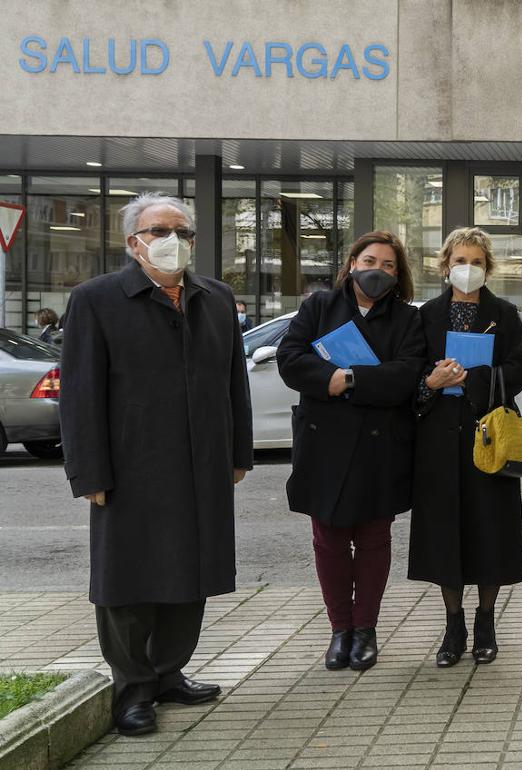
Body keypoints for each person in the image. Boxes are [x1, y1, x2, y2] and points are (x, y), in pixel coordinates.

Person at [58, 193, 252, 736]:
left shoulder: (215, 297)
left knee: (191, 573)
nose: (172, 240)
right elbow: (79, 393)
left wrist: (238, 454)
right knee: (130, 581)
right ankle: (133, 688)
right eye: (158, 229)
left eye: (182, 231)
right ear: (132, 242)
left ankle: (169, 672)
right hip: (131, 467)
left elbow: (233, 382)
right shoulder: (96, 299)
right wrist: (89, 472)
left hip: (203, 464)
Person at [276, 231, 425, 672]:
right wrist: (331, 379)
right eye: (370, 260)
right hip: (324, 444)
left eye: (389, 266)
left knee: (374, 538)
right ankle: (339, 630)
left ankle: (365, 630)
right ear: (352, 263)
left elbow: (406, 374)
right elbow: (290, 359)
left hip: (381, 444)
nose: (378, 270)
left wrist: (351, 379)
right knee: (329, 540)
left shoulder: (407, 319)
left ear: (399, 277)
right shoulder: (318, 307)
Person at [408, 227, 522, 667]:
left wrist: (473, 377)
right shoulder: (425, 316)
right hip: (439, 437)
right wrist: (432, 379)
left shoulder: (504, 313)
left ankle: (485, 619)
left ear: (488, 267)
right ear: (445, 265)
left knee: (489, 529)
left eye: (477, 261)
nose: (468, 268)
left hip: (489, 434)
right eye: (461, 260)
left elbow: (517, 370)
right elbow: (412, 370)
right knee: (445, 533)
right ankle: (452, 623)